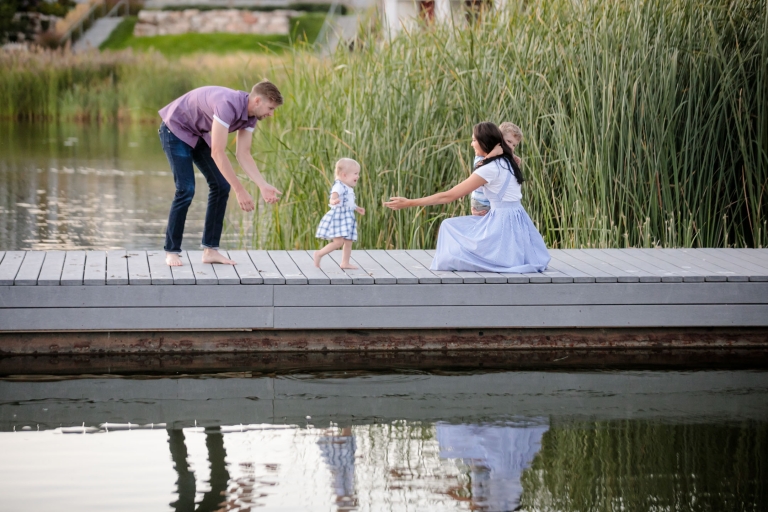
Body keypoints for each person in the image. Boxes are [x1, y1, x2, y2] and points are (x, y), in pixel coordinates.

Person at [384, 122, 550, 273]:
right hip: (518, 219)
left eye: (473, 140)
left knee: (449, 226)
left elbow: (449, 196)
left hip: (503, 223)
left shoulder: (490, 168)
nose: (471, 144)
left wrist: (409, 202)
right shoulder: (508, 162)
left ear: (483, 142)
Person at [158, 80, 283, 267]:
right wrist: (240, 190)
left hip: (197, 132)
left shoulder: (251, 116)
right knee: (186, 189)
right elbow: (217, 151)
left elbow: (244, 154)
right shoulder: (228, 105)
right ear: (257, 100)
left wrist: (262, 185)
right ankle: (171, 250)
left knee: (221, 185)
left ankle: (210, 251)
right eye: (270, 108)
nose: (272, 114)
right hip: (174, 130)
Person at [314, 158, 366, 268]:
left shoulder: (348, 187)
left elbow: (348, 203)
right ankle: (319, 254)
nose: (358, 176)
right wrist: (333, 201)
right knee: (338, 242)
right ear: (344, 175)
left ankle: (345, 262)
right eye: (355, 174)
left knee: (348, 241)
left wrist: (357, 208)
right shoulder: (339, 186)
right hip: (340, 217)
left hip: (348, 217)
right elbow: (332, 197)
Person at [471, 122, 523, 216]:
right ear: (498, 138)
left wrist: (514, 161)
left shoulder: (502, 158)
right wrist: (493, 153)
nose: (511, 146)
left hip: (494, 203)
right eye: (509, 141)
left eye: (514, 145)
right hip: (482, 203)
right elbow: (478, 169)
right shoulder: (483, 152)